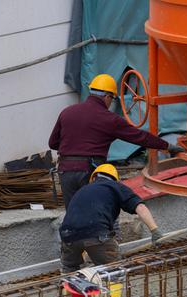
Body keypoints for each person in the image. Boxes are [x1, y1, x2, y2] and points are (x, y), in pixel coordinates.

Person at [49, 73, 175, 208]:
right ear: (107, 96)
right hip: (90, 171)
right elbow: (140, 137)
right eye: (112, 99)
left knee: (74, 213)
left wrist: (72, 148)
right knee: (95, 212)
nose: (111, 103)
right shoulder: (109, 119)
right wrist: (166, 145)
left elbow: (53, 143)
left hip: (65, 171)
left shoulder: (67, 112)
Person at [59, 164, 163, 273]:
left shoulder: (82, 190)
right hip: (96, 233)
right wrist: (154, 230)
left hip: (67, 236)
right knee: (114, 271)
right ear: (115, 179)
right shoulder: (115, 186)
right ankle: (113, 286)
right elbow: (140, 207)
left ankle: (69, 287)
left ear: (93, 178)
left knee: (69, 272)